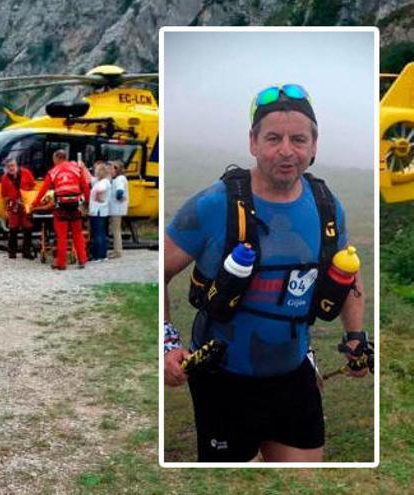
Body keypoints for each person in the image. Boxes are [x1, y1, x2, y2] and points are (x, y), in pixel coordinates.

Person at [163, 84, 368, 462]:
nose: (287, 150)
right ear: (253, 142)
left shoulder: (327, 207)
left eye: (298, 139)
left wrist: (355, 337)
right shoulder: (212, 206)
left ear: (314, 145)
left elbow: (347, 275)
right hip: (222, 380)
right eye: (273, 138)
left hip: (293, 375)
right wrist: (166, 345)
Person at [33, 149, 90, 270]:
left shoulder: (53, 172)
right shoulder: (77, 169)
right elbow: (85, 186)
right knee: (77, 234)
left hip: (61, 207)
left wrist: (35, 203)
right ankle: (82, 260)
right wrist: (87, 202)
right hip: (75, 205)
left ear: (57, 158)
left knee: (61, 236)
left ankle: (61, 263)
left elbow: (43, 190)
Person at [0, 157, 36, 259]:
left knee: (28, 228)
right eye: (8, 167)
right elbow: (4, 196)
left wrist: (30, 201)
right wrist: (5, 210)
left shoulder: (26, 173)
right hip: (13, 206)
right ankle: (12, 252)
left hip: (25, 205)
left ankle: (26, 251)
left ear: (16, 165)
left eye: (12, 165)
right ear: (6, 168)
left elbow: (33, 186)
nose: (11, 168)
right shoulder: (4, 178)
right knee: (13, 229)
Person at [89, 162, 112, 262]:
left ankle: (100, 255)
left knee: (98, 233)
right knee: (99, 232)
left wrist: (98, 198)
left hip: (98, 210)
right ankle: (100, 254)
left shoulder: (103, 182)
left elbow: (99, 190)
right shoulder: (101, 181)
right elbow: (90, 178)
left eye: (96, 171)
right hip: (99, 210)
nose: (95, 172)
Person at [108, 160, 128, 258]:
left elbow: (120, 191)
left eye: (111, 168)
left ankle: (117, 251)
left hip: (117, 208)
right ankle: (117, 250)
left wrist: (118, 197)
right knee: (116, 230)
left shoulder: (119, 179)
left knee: (116, 230)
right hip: (117, 208)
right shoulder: (119, 179)